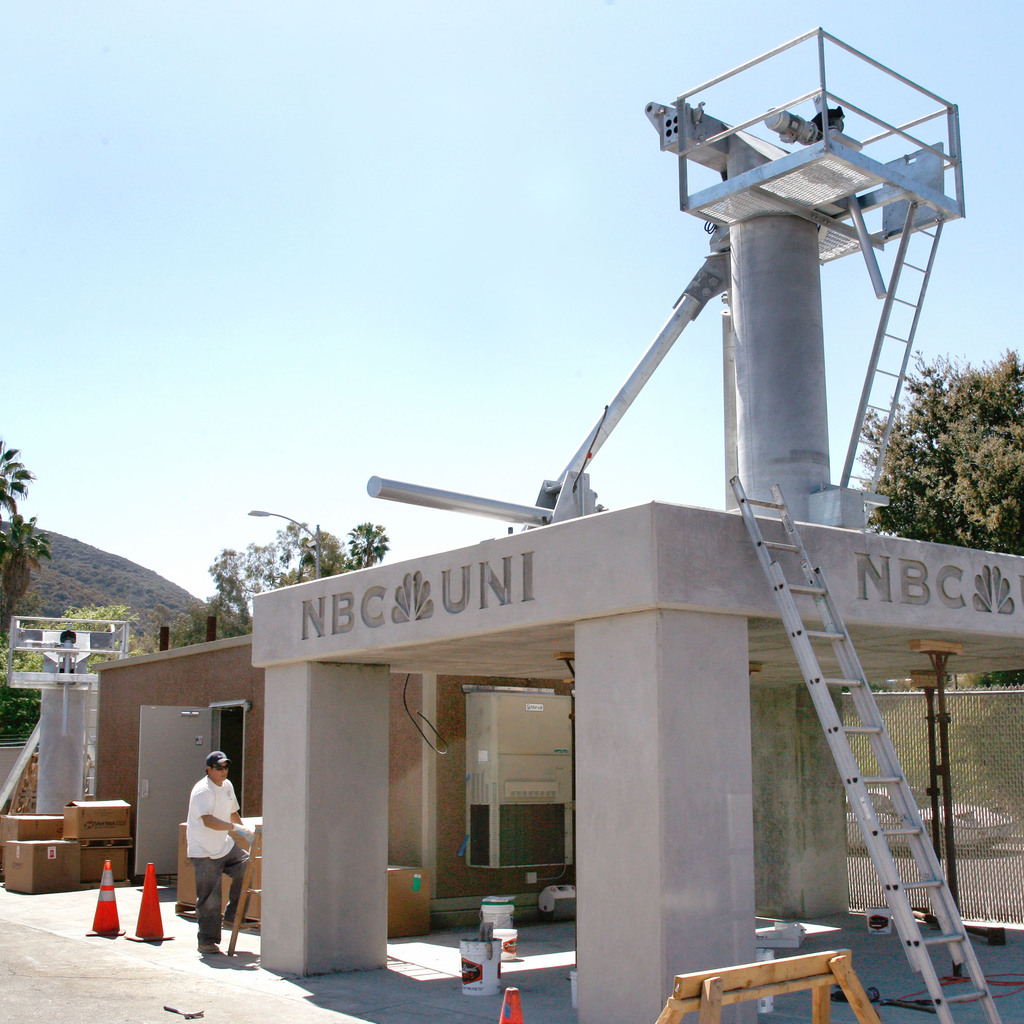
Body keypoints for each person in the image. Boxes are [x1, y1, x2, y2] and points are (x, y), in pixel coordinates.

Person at [186, 750, 252, 954]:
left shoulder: (227, 785)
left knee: (247, 866)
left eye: (226, 767)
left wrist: (245, 832)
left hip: (224, 846)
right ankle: (207, 941)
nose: (224, 771)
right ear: (209, 769)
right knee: (210, 899)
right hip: (203, 850)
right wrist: (234, 828)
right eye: (219, 768)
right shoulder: (202, 791)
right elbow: (208, 821)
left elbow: (232, 812)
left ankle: (233, 917)